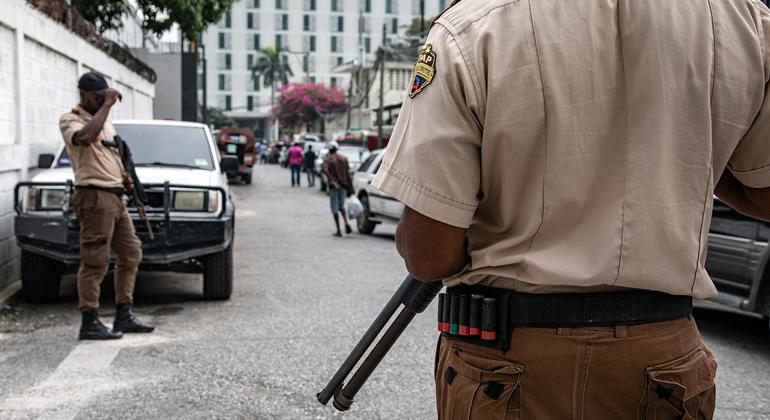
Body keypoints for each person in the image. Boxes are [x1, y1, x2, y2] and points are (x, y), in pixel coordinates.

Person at [371, 0, 770, 418]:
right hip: (666, 363)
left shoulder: (474, 23)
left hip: (508, 362)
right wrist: (695, 136)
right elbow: (763, 193)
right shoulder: (742, 18)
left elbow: (428, 254)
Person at [59, 71, 155, 340]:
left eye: (105, 96)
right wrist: (106, 106)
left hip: (115, 197)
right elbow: (86, 138)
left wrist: (125, 179)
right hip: (94, 197)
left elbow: (109, 154)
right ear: (84, 95)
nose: (103, 101)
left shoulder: (106, 122)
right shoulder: (71, 120)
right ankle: (89, 321)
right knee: (95, 261)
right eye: (98, 97)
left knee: (131, 253)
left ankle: (123, 314)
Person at [323, 141, 354, 237]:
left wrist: (333, 181)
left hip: (334, 187)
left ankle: (338, 230)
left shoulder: (329, 159)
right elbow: (348, 174)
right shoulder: (344, 159)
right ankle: (346, 222)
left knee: (334, 208)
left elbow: (325, 170)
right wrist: (351, 188)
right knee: (341, 206)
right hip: (344, 186)